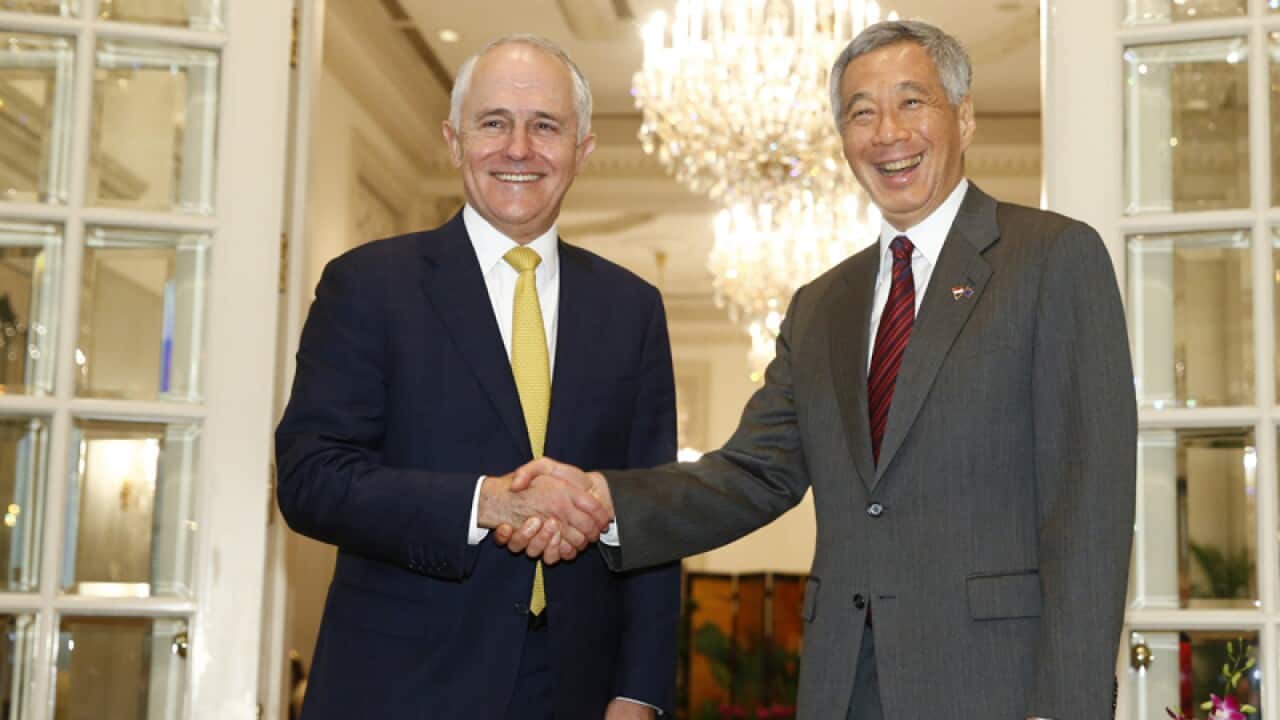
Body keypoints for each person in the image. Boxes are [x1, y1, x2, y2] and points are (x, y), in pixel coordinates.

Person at [504, 20, 1136, 720]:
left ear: (964, 116)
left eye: (911, 102)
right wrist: (600, 499)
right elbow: (754, 474)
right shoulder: (821, 304)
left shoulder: (1053, 258)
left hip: (997, 684)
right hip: (842, 683)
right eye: (860, 112)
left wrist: (1070, 706)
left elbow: (1090, 505)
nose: (886, 133)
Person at [275, 34, 680, 720]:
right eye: (493, 122)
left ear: (580, 150)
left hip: (577, 694)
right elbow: (311, 480)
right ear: (454, 140)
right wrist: (488, 504)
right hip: (398, 689)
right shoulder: (367, 286)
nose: (518, 148)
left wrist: (638, 693)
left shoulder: (633, 309)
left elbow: (655, 514)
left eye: (544, 126)